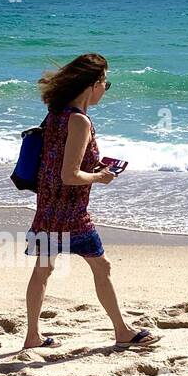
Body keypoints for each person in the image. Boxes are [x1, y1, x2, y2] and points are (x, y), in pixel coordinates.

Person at [23, 52, 159, 351]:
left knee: (43, 270)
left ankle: (32, 336)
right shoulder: (79, 121)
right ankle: (122, 331)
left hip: (48, 209)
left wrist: (94, 170)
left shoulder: (55, 114)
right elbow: (70, 175)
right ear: (93, 84)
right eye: (105, 85)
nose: (105, 91)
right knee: (102, 266)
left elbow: (60, 163)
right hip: (71, 214)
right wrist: (101, 177)